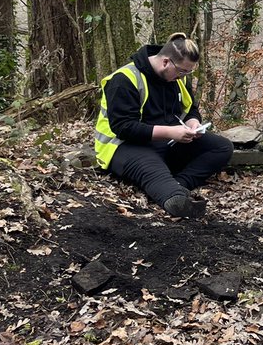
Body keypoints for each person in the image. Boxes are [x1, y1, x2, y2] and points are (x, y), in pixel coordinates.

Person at [95, 33, 233, 219]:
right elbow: (124, 127)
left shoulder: (176, 78)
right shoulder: (124, 80)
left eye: (188, 72)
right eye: (183, 71)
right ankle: (176, 199)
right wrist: (170, 132)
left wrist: (193, 122)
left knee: (222, 147)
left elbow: (189, 108)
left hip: (166, 141)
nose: (184, 76)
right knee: (152, 169)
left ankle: (178, 184)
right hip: (125, 146)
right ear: (166, 62)